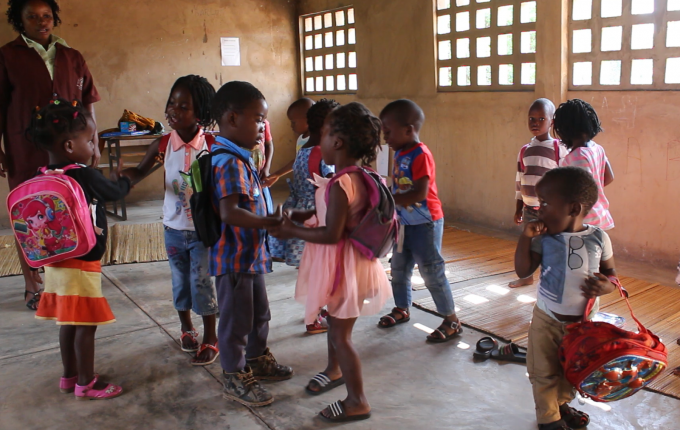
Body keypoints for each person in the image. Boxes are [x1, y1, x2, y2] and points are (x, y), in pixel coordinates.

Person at [269, 102, 392, 422]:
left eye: (321, 134)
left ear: (336, 142)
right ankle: (333, 370)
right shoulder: (353, 175)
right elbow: (331, 213)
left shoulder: (340, 184)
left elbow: (332, 234)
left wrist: (290, 229)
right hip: (348, 265)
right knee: (335, 325)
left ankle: (357, 400)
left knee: (340, 335)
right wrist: (300, 214)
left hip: (343, 266)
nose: (316, 139)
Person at [0, 0, 101, 310]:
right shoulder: (8, 56)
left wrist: (93, 139)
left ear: (54, 19)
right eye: (32, 17)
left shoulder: (71, 56)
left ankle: (64, 281)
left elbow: (87, 102)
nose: (40, 22)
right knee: (28, 216)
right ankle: (33, 285)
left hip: (68, 149)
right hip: (25, 147)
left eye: (46, 16)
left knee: (68, 211)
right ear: (20, 21)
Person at [29, 100, 130, 399]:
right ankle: (86, 383)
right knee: (86, 323)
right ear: (71, 145)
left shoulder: (42, 174)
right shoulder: (84, 173)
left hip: (56, 263)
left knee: (69, 321)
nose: (93, 146)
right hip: (82, 262)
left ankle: (69, 375)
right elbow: (115, 193)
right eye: (90, 140)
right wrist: (122, 180)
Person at [122, 75, 219, 366]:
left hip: (202, 230)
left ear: (200, 112)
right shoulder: (164, 143)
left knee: (203, 282)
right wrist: (123, 177)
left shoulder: (211, 144)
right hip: (173, 228)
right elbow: (139, 172)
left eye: (184, 106)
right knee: (180, 282)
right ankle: (187, 328)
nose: (174, 109)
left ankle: (211, 336)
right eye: (172, 103)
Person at [515, 166, 618, 430]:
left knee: (570, 372)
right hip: (546, 320)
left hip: (583, 325)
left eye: (546, 204)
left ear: (573, 209)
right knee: (543, 372)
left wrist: (606, 286)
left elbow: (612, 277)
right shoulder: (544, 239)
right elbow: (523, 270)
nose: (540, 210)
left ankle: (560, 405)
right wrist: (525, 239)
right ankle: (548, 420)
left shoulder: (599, 238)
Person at [210, 81, 292, 407]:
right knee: (236, 319)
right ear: (232, 119)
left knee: (260, 313)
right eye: (258, 119)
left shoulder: (240, 156)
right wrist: (269, 222)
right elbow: (231, 212)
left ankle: (257, 358)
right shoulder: (228, 161)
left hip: (251, 255)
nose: (263, 127)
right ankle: (234, 373)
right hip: (234, 258)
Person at [377, 99, 462, 342]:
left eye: (388, 132)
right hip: (404, 224)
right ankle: (402, 308)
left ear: (408, 129)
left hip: (426, 223)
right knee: (399, 268)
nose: (385, 138)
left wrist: (388, 201)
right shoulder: (401, 152)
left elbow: (419, 193)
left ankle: (451, 320)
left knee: (431, 272)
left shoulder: (420, 154)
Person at [268, 99, 337, 334]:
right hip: (316, 218)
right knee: (319, 272)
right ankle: (313, 317)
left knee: (312, 271)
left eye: (292, 121)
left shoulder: (306, 148)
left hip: (301, 212)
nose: (290, 126)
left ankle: (316, 308)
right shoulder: (321, 153)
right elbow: (328, 189)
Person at [510, 98, 567, 288]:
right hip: (529, 208)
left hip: (550, 212)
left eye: (541, 119)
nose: (535, 123)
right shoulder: (525, 150)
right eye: (531, 119)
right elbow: (520, 180)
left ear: (552, 121)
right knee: (530, 244)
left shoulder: (559, 149)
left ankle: (550, 281)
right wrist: (519, 207)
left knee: (550, 246)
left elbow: (563, 181)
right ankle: (526, 276)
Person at [554, 99, 614, 231]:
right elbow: (609, 177)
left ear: (563, 130)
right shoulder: (597, 148)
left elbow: (580, 192)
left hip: (583, 221)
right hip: (599, 215)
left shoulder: (577, 157)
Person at [262, 97, 315, 188]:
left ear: (308, 120)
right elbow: (297, 161)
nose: (291, 126)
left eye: (294, 122)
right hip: (303, 185)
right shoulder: (301, 139)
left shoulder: (317, 140)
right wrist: (277, 174)